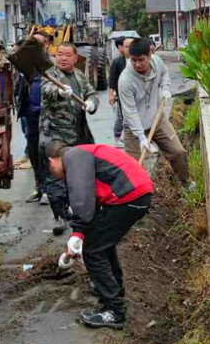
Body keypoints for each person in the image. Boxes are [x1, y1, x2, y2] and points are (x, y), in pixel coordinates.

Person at [47, 140, 153, 329]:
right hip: (136, 193)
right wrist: (80, 233)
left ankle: (115, 311)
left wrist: (78, 233)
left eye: (50, 170)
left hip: (129, 195)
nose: (54, 176)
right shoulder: (82, 154)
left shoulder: (73, 157)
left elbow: (81, 197)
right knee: (102, 244)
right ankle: (114, 291)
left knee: (93, 250)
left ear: (51, 161)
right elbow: (91, 201)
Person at [40, 42, 98, 235]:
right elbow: (46, 91)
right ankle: (59, 215)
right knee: (56, 175)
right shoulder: (50, 74)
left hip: (80, 133)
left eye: (67, 55)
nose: (62, 58)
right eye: (59, 55)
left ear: (75, 58)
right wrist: (59, 92)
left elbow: (91, 92)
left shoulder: (79, 76)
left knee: (82, 173)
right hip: (56, 136)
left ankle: (82, 210)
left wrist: (91, 103)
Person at [118, 38, 190, 186]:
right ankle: (139, 199)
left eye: (141, 60)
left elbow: (164, 74)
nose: (137, 64)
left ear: (150, 55)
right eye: (133, 60)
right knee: (134, 166)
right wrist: (141, 137)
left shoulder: (157, 62)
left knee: (178, 152)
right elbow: (130, 112)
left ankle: (186, 183)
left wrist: (165, 88)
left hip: (157, 120)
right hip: (134, 128)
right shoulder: (125, 80)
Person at [17, 32, 52, 204]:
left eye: (38, 44)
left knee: (45, 153)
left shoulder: (50, 65)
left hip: (46, 116)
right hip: (30, 114)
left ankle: (48, 190)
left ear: (46, 45)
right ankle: (39, 188)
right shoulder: (25, 66)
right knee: (33, 153)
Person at [108, 36, 134, 147]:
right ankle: (117, 138)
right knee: (121, 117)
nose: (129, 48)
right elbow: (112, 80)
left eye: (131, 46)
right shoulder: (118, 62)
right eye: (127, 46)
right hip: (122, 95)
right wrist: (111, 95)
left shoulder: (137, 60)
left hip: (137, 95)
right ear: (121, 48)